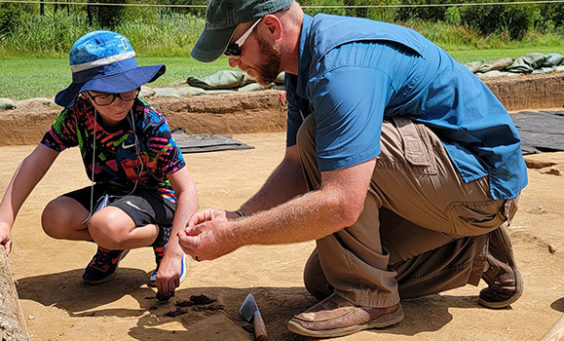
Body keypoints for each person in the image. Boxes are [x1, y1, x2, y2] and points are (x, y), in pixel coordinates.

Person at [180, 0, 527, 337]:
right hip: (448, 184)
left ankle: (371, 299)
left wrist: (234, 237)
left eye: (235, 46)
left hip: (481, 182)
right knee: (325, 278)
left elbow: (340, 203)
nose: (232, 61)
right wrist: (237, 218)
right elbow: (295, 165)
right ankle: (475, 252)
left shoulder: (340, 68)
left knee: (317, 137)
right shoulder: (304, 67)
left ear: (271, 28)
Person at [0, 30, 197, 298]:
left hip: (158, 197)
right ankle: (112, 245)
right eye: (105, 95)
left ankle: (161, 236)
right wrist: (4, 220)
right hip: (113, 193)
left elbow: (187, 189)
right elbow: (36, 161)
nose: (119, 104)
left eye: (128, 90)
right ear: (84, 94)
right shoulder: (77, 116)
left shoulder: (149, 122)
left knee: (105, 226)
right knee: (55, 218)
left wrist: (175, 251)